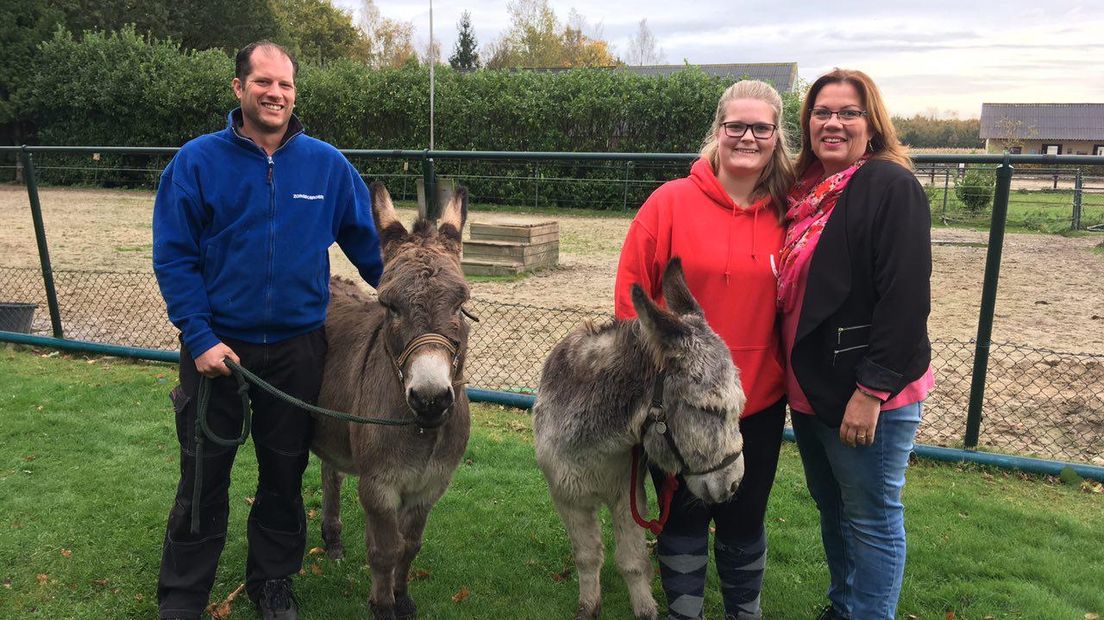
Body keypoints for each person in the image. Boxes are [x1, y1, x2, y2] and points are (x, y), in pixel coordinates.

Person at [152, 41, 383, 620]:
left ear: (294, 93)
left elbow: (372, 249)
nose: (274, 93)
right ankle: (183, 595)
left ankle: (273, 583)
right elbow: (175, 256)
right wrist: (199, 337)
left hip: (298, 349)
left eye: (284, 84)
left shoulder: (327, 166)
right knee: (204, 476)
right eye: (262, 82)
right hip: (217, 349)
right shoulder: (197, 162)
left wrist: (415, 294)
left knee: (284, 473)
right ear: (239, 88)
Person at [615, 79, 795, 620]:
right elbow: (632, 298)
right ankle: (684, 611)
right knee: (683, 516)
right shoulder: (670, 203)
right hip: (679, 406)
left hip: (756, 400)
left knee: (743, 517)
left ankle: (745, 610)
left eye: (760, 127)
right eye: (735, 126)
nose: (747, 137)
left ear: (776, 135)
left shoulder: (792, 212)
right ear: (717, 132)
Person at [778, 68, 934, 620]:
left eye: (848, 112)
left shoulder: (889, 186)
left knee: (870, 516)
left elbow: (906, 299)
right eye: (823, 113)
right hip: (813, 386)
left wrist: (871, 391)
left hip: (866, 392)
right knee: (834, 508)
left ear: (872, 123)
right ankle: (844, 606)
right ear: (808, 123)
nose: (834, 123)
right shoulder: (805, 194)